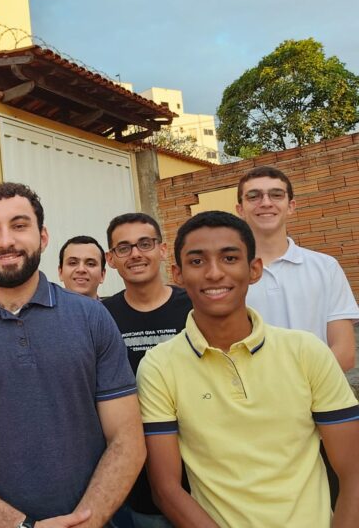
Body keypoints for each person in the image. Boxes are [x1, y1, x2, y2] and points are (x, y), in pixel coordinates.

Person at [0, 182, 145, 528]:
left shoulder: (92, 319)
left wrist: (85, 521)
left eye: (20, 226)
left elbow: (127, 440)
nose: (6, 241)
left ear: (44, 236)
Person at [137, 210, 359, 528]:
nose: (214, 273)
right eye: (197, 261)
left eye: (229, 258)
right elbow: (166, 489)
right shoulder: (159, 366)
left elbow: (353, 471)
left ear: (254, 270)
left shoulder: (306, 351)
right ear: (178, 274)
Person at [103, 213, 192, 528]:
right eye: (124, 248)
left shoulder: (195, 306)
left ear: (163, 249)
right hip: (139, 483)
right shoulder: (101, 317)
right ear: (111, 259)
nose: (136, 254)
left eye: (145, 243)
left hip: (203, 469)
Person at [236, 165, 359, 371]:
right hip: (251, 400)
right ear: (240, 209)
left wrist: (297, 389)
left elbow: (344, 352)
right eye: (253, 196)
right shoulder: (227, 274)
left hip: (318, 398)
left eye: (276, 195)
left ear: (291, 206)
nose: (266, 203)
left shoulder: (326, 267)